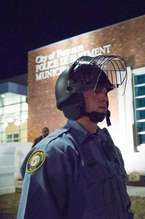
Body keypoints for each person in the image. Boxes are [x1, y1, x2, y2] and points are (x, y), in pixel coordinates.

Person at [18, 55, 133, 219]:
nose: (104, 97)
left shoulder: (110, 148)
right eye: (96, 90)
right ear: (74, 96)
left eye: (105, 91)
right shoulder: (54, 153)